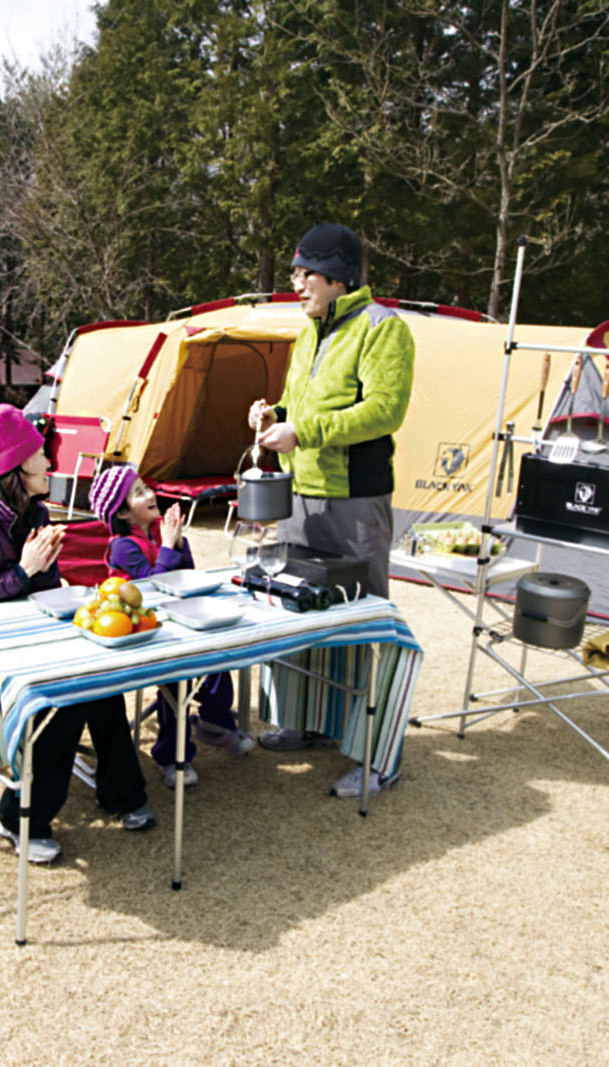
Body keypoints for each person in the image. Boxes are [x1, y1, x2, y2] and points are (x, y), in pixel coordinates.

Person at [0, 404, 155, 864]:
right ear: (14, 467)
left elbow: (44, 591)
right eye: (39, 457)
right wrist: (23, 572)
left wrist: (45, 582)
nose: (50, 463)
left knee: (100, 670)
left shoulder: (34, 510)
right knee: (62, 696)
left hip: (26, 638)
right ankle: (20, 817)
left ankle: (121, 792)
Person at [247, 222, 415, 797]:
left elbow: (383, 411)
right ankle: (307, 722)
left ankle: (378, 757)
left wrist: (305, 430)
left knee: (366, 623)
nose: (296, 284)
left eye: (304, 274)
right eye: (294, 273)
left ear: (337, 277)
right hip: (302, 494)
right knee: (298, 610)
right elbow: (300, 402)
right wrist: (273, 413)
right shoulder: (308, 332)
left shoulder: (382, 329)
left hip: (356, 499)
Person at [88, 465, 255, 789]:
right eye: (138, 493)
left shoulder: (156, 533)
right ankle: (171, 755)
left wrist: (178, 544)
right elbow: (148, 590)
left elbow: (185, 575)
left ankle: (215, 722)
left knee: (218, 656)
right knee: (176, 681)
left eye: (146, 488)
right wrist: (167, 546)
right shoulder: (122, 545)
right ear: (122, 512)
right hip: (143, 632)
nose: (150, 495)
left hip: (177, 622)